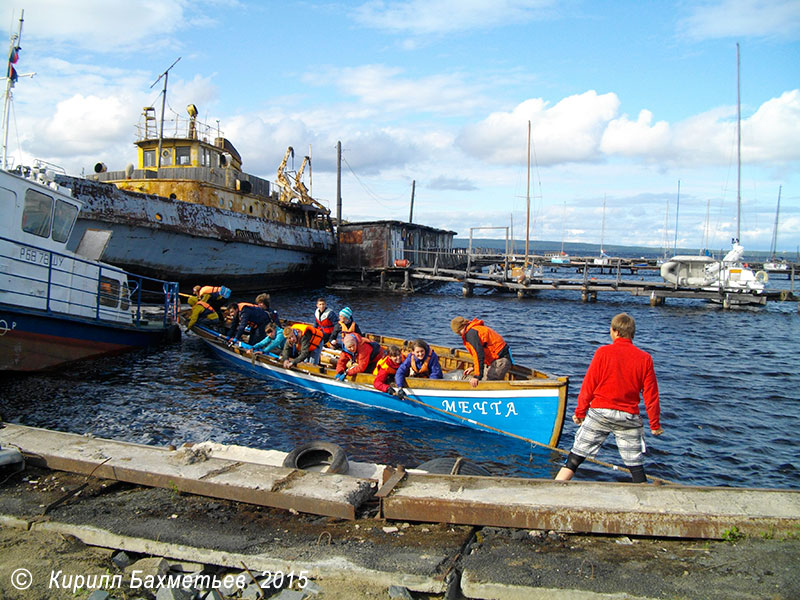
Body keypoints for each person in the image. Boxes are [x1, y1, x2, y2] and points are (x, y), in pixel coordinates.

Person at [555, 313, 663, 484]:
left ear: (615, 332)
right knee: (636, 467)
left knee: (574, 459)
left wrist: (580, 412)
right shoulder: (645, 359)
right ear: (632, 333)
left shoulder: (603, 352)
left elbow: (589, 385)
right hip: (628, 416)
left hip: (600, 413)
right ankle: (646, 503)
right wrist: (654, 424)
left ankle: (553, 490)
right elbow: (651, 395)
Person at [450, 316, 512, 388]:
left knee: (487, 385)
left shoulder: (471, 334)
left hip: (500, 360)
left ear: (458, 330)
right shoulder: (473, 329)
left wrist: (477, 376)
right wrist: (473, 367)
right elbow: (483, 352)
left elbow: (478, 354)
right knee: (483, 381)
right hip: (494, 360)